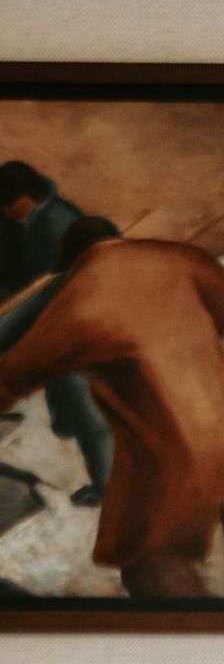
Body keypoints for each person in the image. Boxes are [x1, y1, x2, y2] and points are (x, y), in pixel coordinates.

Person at [0, 217, 224, 604]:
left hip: (166, 456)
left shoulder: (82, 297)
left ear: (73, 262)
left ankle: (186, 653)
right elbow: (223, 308)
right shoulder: (182, 261)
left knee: (153, 562)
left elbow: (12, 376)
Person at [0, 160, 115, 505]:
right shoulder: (33, 220)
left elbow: (54, 290)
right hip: (56, 330)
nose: (4, 214)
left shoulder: (58, 223)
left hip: (74, 332)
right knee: (75, 411)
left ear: (22, 198)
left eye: (6, 206)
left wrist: (10, 326)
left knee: (87, 412)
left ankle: (108, 488)